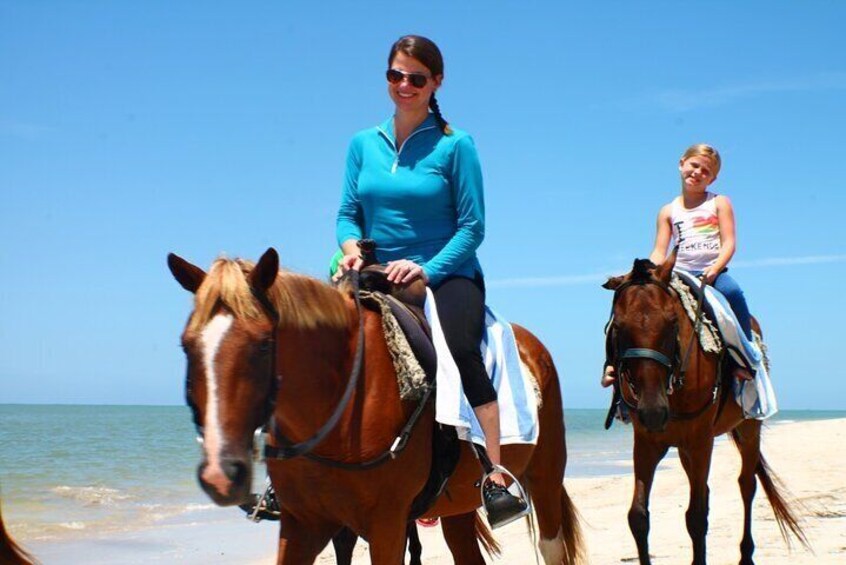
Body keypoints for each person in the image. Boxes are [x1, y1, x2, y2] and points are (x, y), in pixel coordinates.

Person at [335, 35, 527, 528]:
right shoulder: (363, 143)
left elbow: (473, 227)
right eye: (395, 75)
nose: (404, 85)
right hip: (372, 267)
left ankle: (494, 473)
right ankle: (291, 471)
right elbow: (347, 215)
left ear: (436, 82)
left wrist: (427, 269)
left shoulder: (455, 144)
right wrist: (351, 248)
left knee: (460, 349)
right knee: (307, 337)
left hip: (445, 271)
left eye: (416, 78)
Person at [602, 143, 755, 388]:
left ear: (712, 178)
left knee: (734, 294)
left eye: (705, 171)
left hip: (711, 273)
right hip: (677, 274)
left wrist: (715, 268)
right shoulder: (667, 211)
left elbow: (729, 243)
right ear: (682, 163)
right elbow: (660, 250)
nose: (697, 173)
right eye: (694, 165)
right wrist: (645, 273)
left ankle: (745, 359)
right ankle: (612, 363)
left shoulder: (719, 203)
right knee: (628, 296)